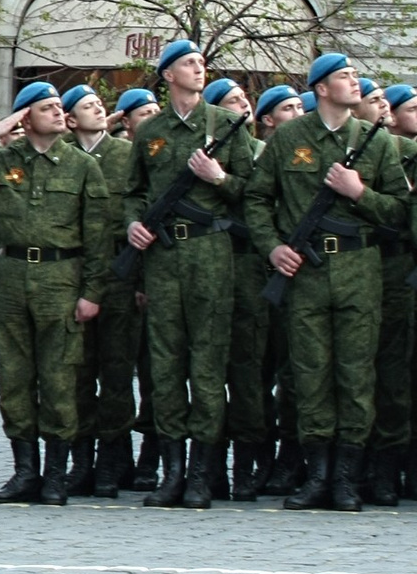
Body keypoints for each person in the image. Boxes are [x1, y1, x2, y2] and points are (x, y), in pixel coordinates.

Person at [246, 52, 408, 511]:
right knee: (310, 373)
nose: (354, 82)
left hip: (359, 268)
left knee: (356, 374)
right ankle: (316, 476)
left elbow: (400, 211)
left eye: (356, 74)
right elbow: (258, 198)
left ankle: (345, 479)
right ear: (320, 88)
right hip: (306, 273)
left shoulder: (376, 141)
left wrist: (360, 193)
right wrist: (273, 247)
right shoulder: (291, 138)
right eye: (344, 76)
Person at [0, 81, 112, 506]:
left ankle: (56, 475)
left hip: (61, 275)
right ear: (26, 118)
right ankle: (24, 471)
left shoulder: (82, 166)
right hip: (10, 275)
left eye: (58, 108)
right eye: (46, 108)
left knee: (60, 378)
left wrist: (92, 291)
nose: (58, 114)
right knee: (14, 378)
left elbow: (98, 237)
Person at [122, 39, 253, 509]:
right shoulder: (151, 130)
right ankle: (171, 472)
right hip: (164, 256)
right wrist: (133, 223)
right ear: (168, 75)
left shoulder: (224, 126)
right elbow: (133, 192)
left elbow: (253, 194)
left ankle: (202, 474)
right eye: (189, 64)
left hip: (210, 253)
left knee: (207, 364)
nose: (199, 70)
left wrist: (218, 178)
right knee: (166, 364)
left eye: (201, 63)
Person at [62, 83, 139, 495]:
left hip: (117, 273)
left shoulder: (126, 155)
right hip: (72, 272)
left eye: (100, 105)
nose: (98, 109)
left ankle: (113, 460)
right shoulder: (63, 157)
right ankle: (81, 459)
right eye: (87, 106)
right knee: (77, 372)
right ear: (70, 119)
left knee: (115, 372)